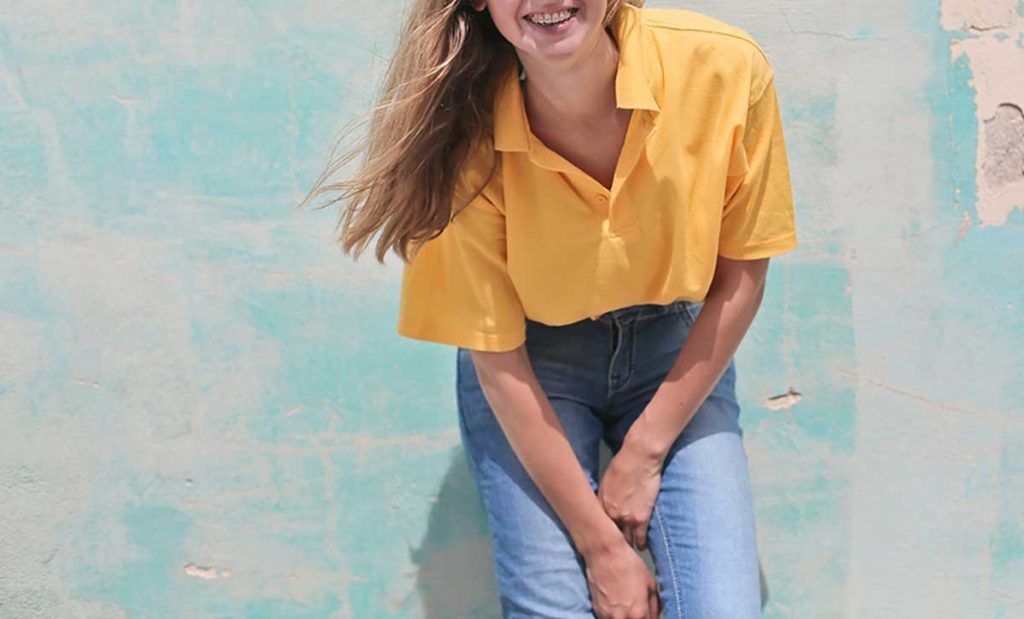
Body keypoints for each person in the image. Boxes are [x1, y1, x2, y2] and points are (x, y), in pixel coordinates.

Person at [303, 1, 797, 617]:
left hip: (677, 351)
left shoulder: (723, 67)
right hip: (532, 368)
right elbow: (496, 359)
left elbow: (744, 272)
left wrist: (645, 454)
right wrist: (603, 549)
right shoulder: (460, 131)